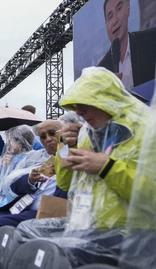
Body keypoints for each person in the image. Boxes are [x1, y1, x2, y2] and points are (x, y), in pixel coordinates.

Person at [56, 66, 149, 230]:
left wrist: (107, 168)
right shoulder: (86, 134)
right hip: (88, 227)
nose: (78, 111)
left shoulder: (147, 132)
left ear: (107, 99)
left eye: (86, 101)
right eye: (76, 104)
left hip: (132, 236)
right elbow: (65, 184)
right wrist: (65, 146)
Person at [0, 120, 67, 227]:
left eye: (52, 133)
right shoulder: (41, 158)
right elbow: (13, 187)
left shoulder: (71, 156)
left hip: (49, 213)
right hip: (23, 205)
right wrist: (30, 179)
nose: (48, 139)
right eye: (43, 136)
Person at [97, 0, 156, 89]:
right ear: (106, 25)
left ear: (128, 7)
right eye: (110, 17)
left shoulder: (151, 41)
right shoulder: (100, 72)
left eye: (119, 9)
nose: (115, 20)